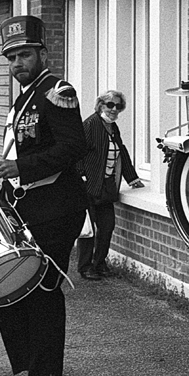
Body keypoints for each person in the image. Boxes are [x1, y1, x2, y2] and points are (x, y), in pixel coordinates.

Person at [0, 15, 88, 376]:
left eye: (25, 54)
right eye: (11, 57)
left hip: (57, 206)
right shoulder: (24, 96)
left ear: (42, 53)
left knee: (42, 292)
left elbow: (74, 147)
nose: (18, 64)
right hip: (24, 206)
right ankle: (26, 375)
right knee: (8, 290)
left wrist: (22, 168)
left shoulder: (56, 91)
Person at [75, 90, 144, 281]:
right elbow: (77, 151)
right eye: (110, 105)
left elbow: (121, 152)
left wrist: (132, 179)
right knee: (89, 230)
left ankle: (99, 263)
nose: (114, 110)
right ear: (100, 105)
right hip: (89, 185)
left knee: (107, 226)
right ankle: (85, 267)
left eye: (118, 106)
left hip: (106, 186)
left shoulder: (112, 127)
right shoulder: (90, 124)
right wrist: (80, 176)